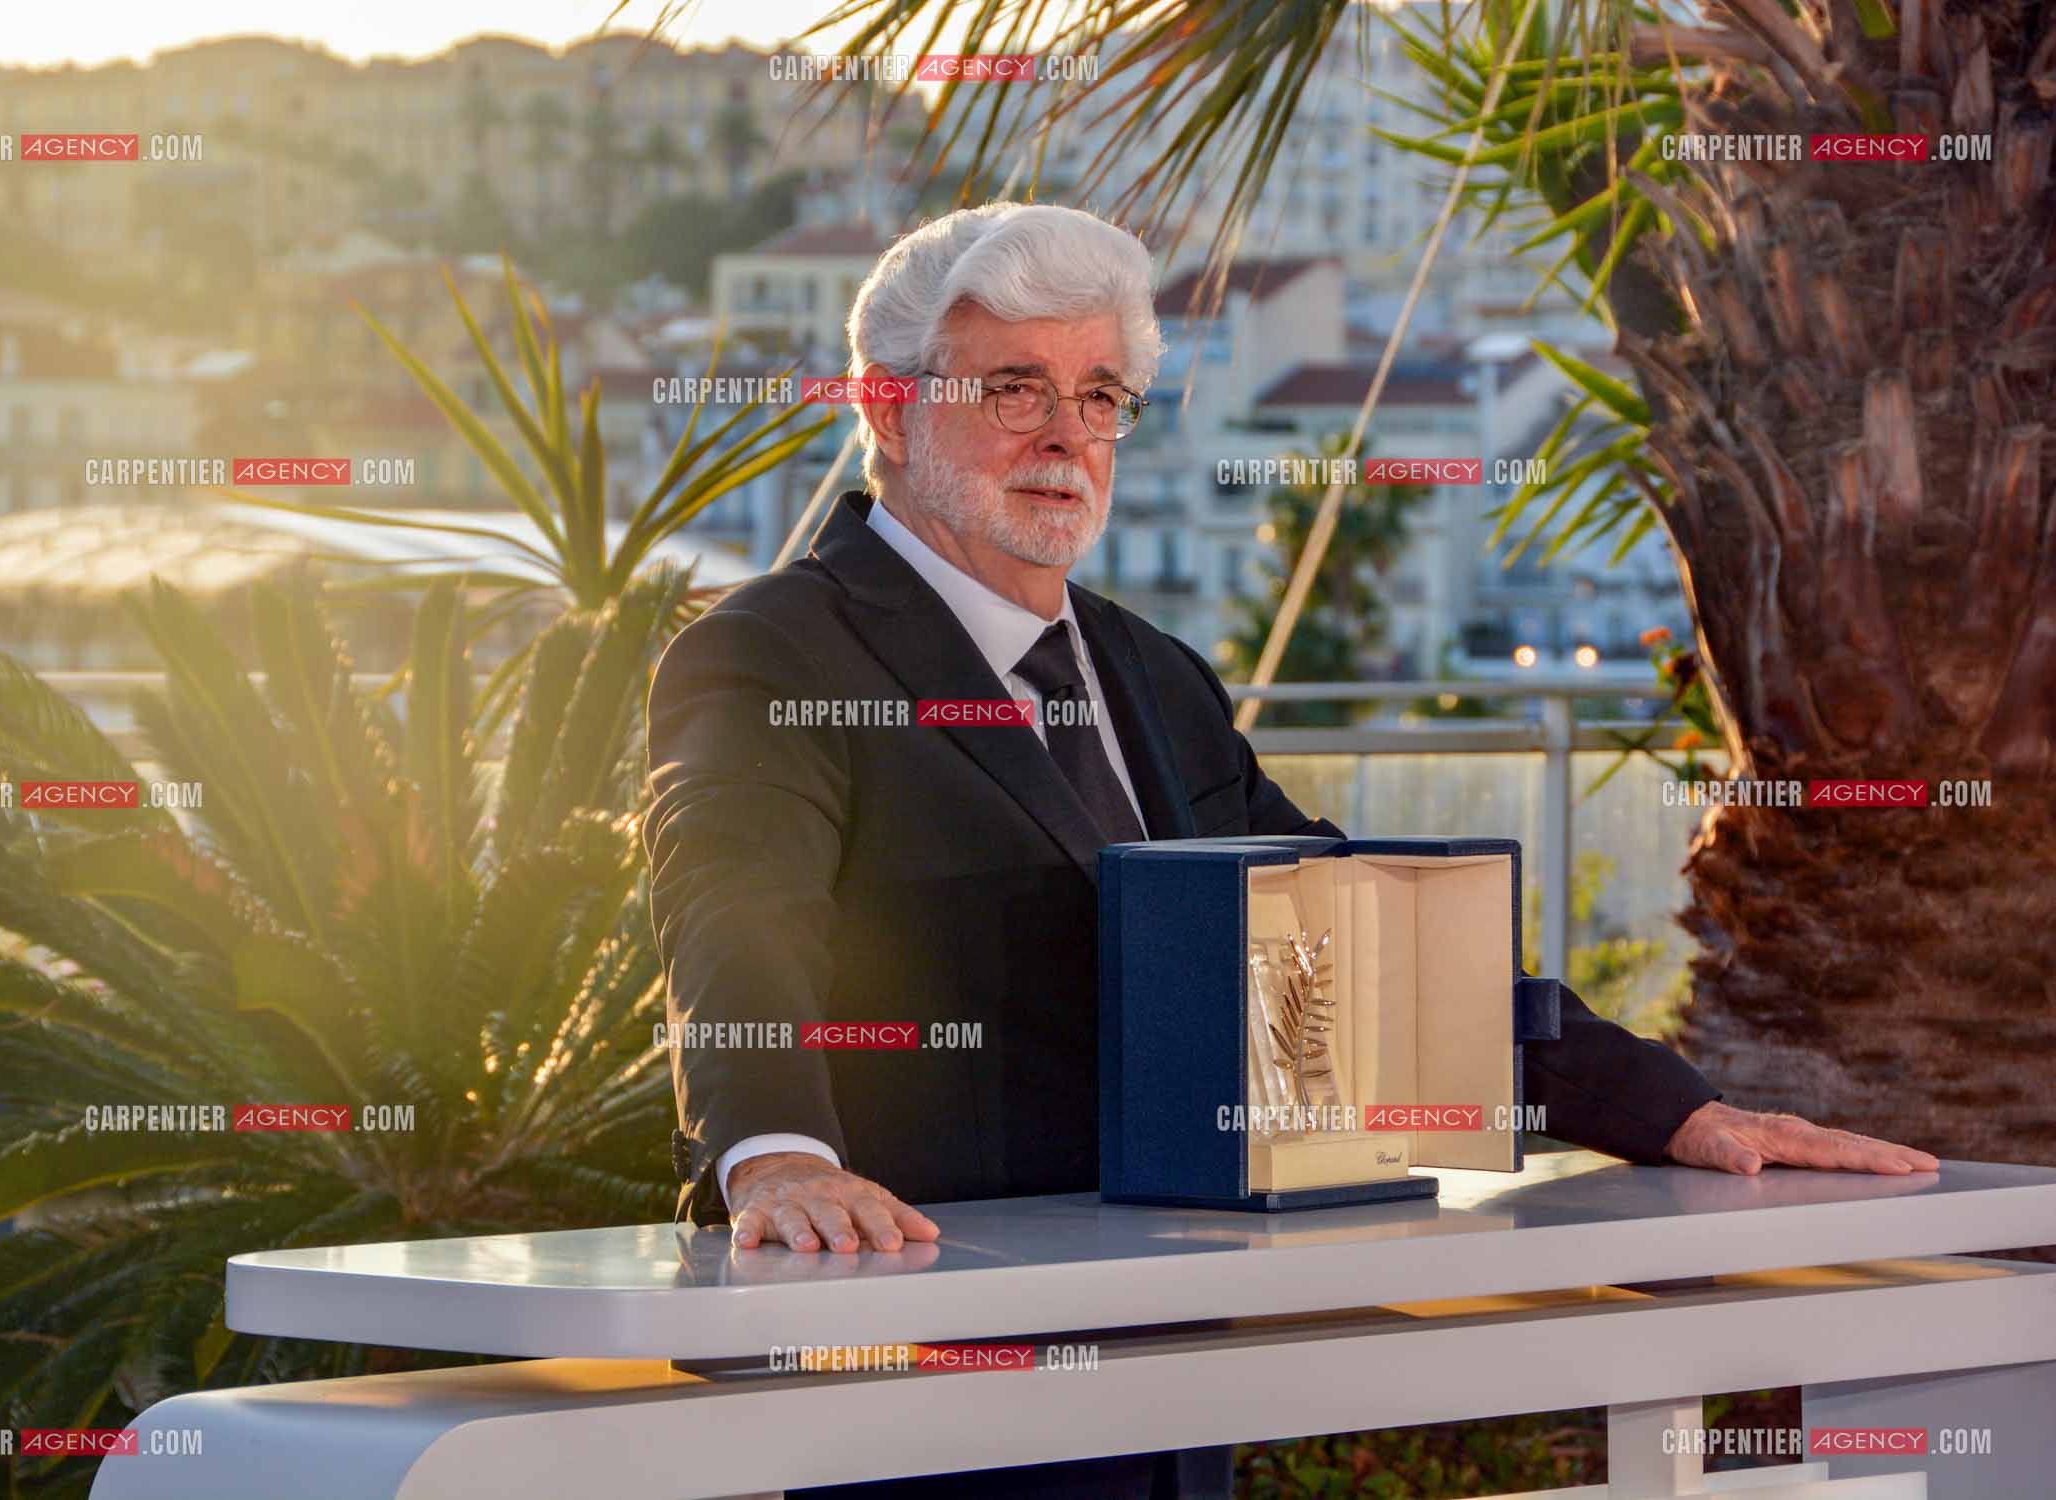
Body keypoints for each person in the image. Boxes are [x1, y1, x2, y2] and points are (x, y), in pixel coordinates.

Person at [642, 201, 1937, 1499]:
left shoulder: (1155, 678)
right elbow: (737, 918)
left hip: (1176, 1370)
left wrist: (1674, 1111)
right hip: (923, 1373)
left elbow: (1359, 945)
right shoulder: (771, 653)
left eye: (1100, 396)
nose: (1063, 436)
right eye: (1014, 387)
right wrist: (780, 1157)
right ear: (885, 407)